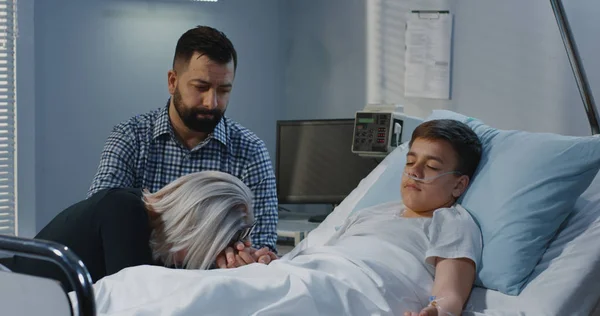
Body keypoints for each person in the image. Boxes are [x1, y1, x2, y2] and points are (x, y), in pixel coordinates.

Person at [72, 119, 483, 316]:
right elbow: (312, 254)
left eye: (431, 167)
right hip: (309, 272)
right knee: (151, 281)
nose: (414, 172)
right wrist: (267, 261)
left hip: (355, 288)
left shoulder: (452, 221)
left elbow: (449, 293)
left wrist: (438, 312)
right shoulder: (370, 212)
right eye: (410, 161)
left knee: (219, 300)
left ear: (459, 185)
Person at [87, 25, 279, 264]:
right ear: (172, 81)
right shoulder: (130, 138)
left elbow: (262, 242)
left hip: (218, 291)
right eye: (201, 87)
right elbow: (100, 224)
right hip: (139, 288)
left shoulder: (251, 151)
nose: (211, 102)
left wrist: (249, 258)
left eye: (224, 90)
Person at [10, 171, 275, 292]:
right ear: (194, 231)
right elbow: (139, 300)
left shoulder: (151, 232)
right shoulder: (124, 212)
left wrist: (244, 272)